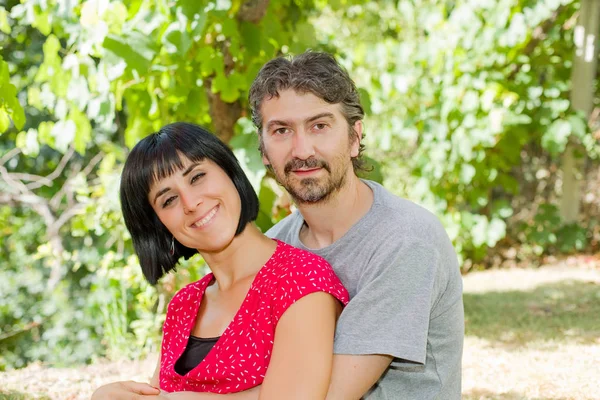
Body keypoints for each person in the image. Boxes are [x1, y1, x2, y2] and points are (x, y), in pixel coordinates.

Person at [248, 51, 465, 399]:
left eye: (319, 125)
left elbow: (326, 394)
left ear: (353, 137)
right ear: (263, 149)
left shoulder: (406, 240)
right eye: (282, 130)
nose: (302, 149)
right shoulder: (273, 249)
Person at [91, 122, 349, 399]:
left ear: (229, 171)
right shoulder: (184, 304)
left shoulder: (301, 280)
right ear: (158, 226)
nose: (190, 202)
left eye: (197, 177)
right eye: (168, 200)